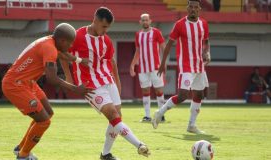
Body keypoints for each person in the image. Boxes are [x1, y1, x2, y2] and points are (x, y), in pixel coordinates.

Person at [64, 7, 150, 160]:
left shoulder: (106, 40)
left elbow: (112, 61)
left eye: (108, 27)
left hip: (107, 80)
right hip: (90, 85)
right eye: (103, 26)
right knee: (113, 115)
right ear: (95, 20)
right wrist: (69, 80)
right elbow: (63, 54)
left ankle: (105, 154)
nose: (105, 30)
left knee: (117, 118)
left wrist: (117, 83)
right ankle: (139, 145)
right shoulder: (77, 36)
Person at [2, 23, 94, 160]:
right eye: (70, 43)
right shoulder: (49, 48)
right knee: (44, 121)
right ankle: (23, 156)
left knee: (48, 112)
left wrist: (80, 60)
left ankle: (21, 148)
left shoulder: (50, 41)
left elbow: (63, 54)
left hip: (28, 83)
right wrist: (76, 89)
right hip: (15, 85)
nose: (70, 47)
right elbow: (52, 78)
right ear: (62, 40)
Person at [152, 0, 211, 134]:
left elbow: (206, 41)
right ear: (187, 8)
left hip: (199, 65)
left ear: (199, 9)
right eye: (191, 7)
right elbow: (168, 44)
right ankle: (159, 113)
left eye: (196, 7)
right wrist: (162, 63)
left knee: (199, 94)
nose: (193, 9)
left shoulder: (204, 24)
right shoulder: (179, 25)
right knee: (183, 95)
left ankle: (191, 124)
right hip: (186, 66)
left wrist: (207, 52)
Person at [130, 13, 166, 123]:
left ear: (150, 21)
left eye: (146, 20)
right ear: (140, 22)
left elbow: (164, 48)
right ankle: (147, 116)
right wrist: (132, 65)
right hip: (142, 68)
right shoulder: (138, 35)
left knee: (159, 91)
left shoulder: (156, 32)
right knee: (145, 91)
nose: (145, 22)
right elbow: (137, 51)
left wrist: (163, 63)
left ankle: (161, 115)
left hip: (156, 67)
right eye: (143, 20)